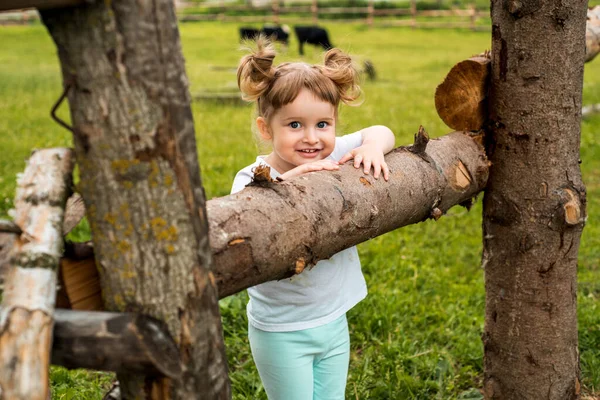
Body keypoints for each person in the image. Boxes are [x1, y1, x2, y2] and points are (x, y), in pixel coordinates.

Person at [231, 36, 395, 400]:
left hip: (334, 316)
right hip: (282, 329)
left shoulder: (331, 148)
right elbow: (248, 213)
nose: (311, 138)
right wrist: (288, 182)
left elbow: (382, 132)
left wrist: (370, 146)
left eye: (323, 124)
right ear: (265, 128)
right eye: (294, 125)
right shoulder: (251, 176)